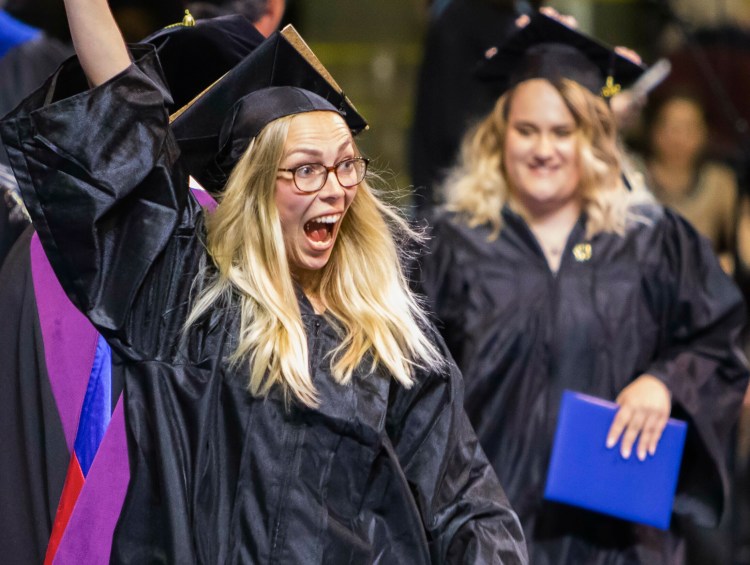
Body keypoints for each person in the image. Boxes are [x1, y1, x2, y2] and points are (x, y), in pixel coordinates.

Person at [0, 0, 528, 563]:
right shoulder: (188, 307)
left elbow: (467, 504)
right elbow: (123, 124)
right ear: (254, 192)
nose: (334, 188)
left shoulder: (389, 341)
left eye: (347, 164)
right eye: (306, 169)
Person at [416, 13, 749, 564]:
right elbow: (411, 386)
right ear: (500, 136)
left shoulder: (650, 243)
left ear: (591, 137)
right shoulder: (453, 244)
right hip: (489, 535)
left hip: (617, 539)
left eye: (562, 131)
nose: (543, 149)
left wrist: (666, 384)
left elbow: (719, 342)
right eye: (527, 130)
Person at [641, 90, 738, 274]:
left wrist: (728, 264)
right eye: (670, 127)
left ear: (704, 133)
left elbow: (742, 244)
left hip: (700, 287)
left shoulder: (719, 182)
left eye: (688, 128)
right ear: (653, 129)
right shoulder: (631, 174)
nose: (678, 138)